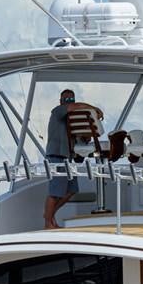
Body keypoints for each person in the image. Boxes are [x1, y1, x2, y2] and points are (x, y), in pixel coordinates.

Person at [43, 89, 81, 228]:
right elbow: (73, 107)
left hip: (68, 159)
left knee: (72, 190)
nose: (69, 102)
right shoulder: (57, 111)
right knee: (55, 193)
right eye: (66, 100)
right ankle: (48, 222)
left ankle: (50, 214)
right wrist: (94, 109)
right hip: (56, 157)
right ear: (61, 101)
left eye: (71, 99)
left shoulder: (71, 121)